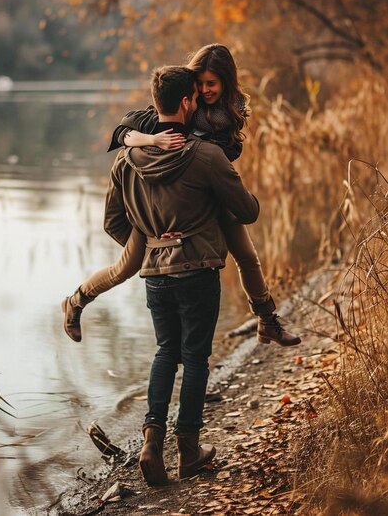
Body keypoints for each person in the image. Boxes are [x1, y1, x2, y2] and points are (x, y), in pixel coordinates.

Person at [62, 44, 301, 347]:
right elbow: (123, 131)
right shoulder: (183, 105)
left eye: (211, 83)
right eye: (199, 83)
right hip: (169, 208)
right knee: (125, 267)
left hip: (210, 194)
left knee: (247, 256)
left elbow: (228, 154)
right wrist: (159, 243)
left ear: (226, 81)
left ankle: (267, 322)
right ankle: (76, 301)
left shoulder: (233, 111)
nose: (205, 89)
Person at [104, 65, 260, 484]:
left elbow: (113, 223)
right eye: (196, 96)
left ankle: (152, 444)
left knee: (164, 352)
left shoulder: (125, 161)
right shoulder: (207, 156)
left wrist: (156, 243)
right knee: (194, 359)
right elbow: (246, 212)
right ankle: (188, 453)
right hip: (198, 270)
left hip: (155, 274)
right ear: (188, 102)